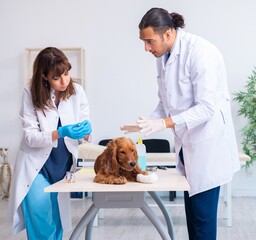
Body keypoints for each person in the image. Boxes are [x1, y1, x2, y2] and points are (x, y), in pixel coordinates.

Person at [121, 7, 240, 240]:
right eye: (143, 42)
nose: (146, 48)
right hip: (187, 147)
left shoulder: (200, 52)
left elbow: (207, 107)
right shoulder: (162, 56)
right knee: (193, 218)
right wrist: (148, 122)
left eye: (149, 41)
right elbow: (166, 102)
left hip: (207, 147)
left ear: (167, 34)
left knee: (203, 221)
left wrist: (164, 123)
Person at [8, 47, 92, 240]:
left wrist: (85, 131)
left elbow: (83, 133)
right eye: (56, 77)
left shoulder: (77, 91)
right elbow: (30, 137)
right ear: (44, 76)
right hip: (36, 166)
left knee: (56, 221)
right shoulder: (30, 93)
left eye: (67, 74)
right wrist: (59, 132)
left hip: (62, 165)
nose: (64, 81)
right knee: (42, 223)